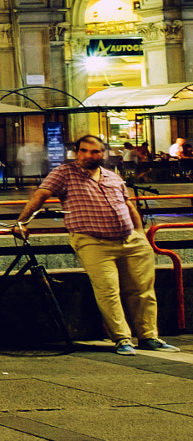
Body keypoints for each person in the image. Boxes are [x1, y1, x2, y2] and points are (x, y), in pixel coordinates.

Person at [14, 133, 176, 354]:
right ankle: (122, 338)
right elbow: (40, 195)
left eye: (94, 151)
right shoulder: (64, 173)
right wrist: (21, 222)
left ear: (103, 153)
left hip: (131, 240)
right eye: (83, 150)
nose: (88, 155)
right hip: (93, 242)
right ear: (76, 152)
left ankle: (148, 336)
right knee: (108, 290)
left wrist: (140, 233)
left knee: (142, 290)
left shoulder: (112, 176)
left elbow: (128, 205)